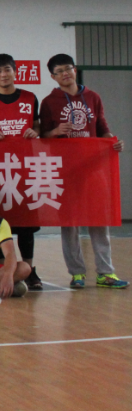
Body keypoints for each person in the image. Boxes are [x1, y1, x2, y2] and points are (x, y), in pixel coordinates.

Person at [39, 54, 128, 289]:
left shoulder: (93, 97)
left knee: (99, 219)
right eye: (59, 71)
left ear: (75, 69)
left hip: (93, 169)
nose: (65, 74)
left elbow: (102, 128)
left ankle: (105, 273)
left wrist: (113, 142)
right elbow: (42, 136)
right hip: (65, 171)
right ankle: (77, 273)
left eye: (67, 68)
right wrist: (56, 131)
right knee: (70, 223)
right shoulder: (48, 102)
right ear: (53, 77)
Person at [0, 53, 43, 290]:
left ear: (15, 71)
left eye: (7, 70)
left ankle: (29, 270)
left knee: (26, 222)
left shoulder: (30, 98)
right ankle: (3, 269)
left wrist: (35, 131)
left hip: (25, 169)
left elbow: (38, 125)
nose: (3, 75)